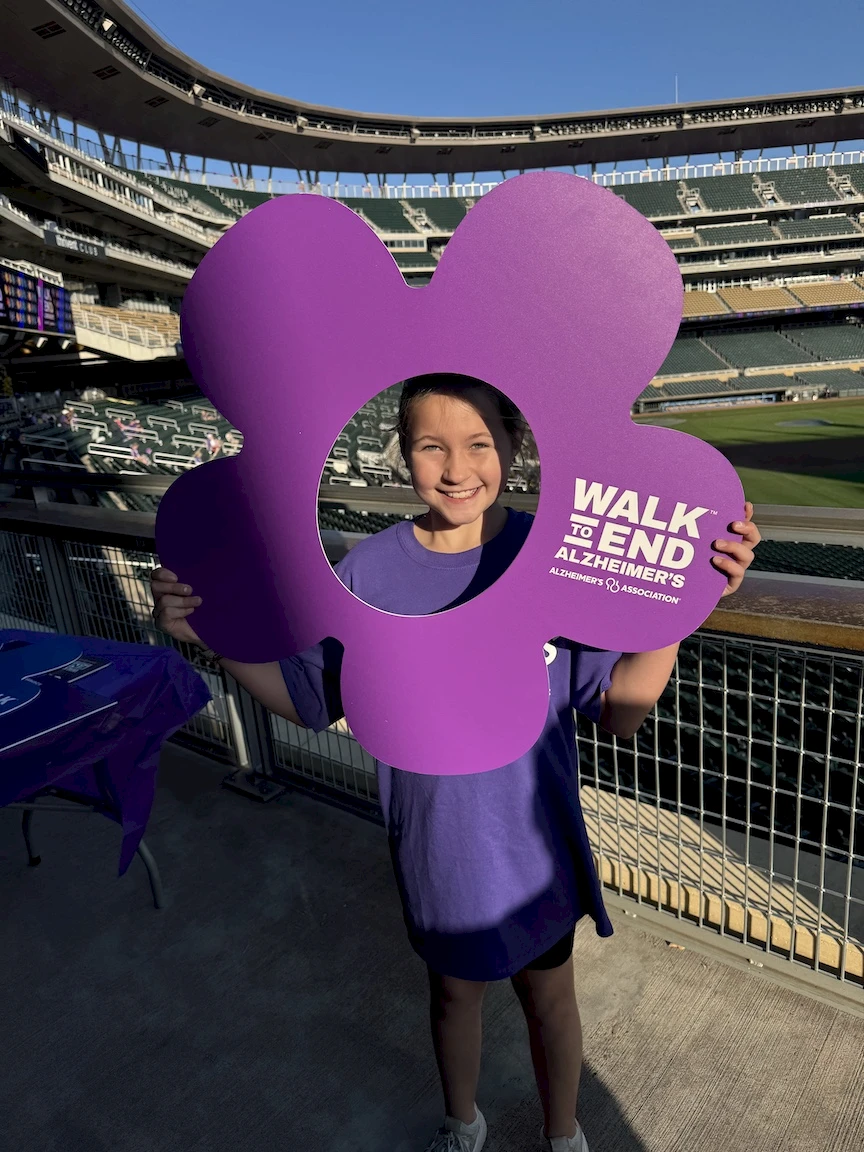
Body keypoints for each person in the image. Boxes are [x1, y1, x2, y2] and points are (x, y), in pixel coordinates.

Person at [151, 374, 761, 1152]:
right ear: (403, 455)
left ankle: (563, 1134)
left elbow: (620, 711)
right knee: (451, 997)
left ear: (515, 445)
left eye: (479, 443)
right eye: (429, 445)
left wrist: (681, 606)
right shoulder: (367, 572)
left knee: (550, 1003)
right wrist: (212, 641)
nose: (456, 466)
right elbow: (308, 698)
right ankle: (461, 1122)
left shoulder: (560, 555)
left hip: (533, 853)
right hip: (434, 849)